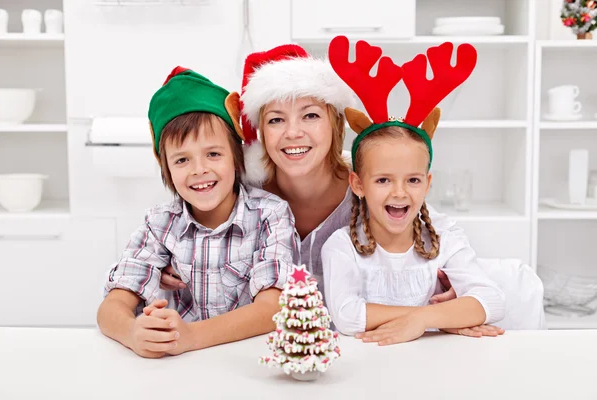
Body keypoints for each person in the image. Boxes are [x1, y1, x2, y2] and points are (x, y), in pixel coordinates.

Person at [158, 41, 503, 335]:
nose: (293, 132)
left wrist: (441, 299)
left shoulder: (373, 187)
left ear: (336, 122)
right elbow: (188, 228)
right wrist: (175, 261)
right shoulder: (243, 198)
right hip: (268, 352)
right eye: (276, 119)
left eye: (310, 116)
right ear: (259, 131)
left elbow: (424, 229)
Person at [96, 67, 299, 358]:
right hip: (182, 366)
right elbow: (112, 306)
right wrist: (132, 332)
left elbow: (271, 309)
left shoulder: (270, 214)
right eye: (181, 160)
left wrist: (190, 336)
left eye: (213, 154)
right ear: (165, 166)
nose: (199, 170)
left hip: (248, 362)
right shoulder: (160, 224)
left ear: (236, 155)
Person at [321, 36, 506, 345]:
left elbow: (493, 300)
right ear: (358, 184)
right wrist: (445, 318)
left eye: (413, 180)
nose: (399, 193)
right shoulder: (342, 246)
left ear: (428, 183)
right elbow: (347, 316)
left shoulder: (445, 237)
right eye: (383, 180)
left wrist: (422, 320)